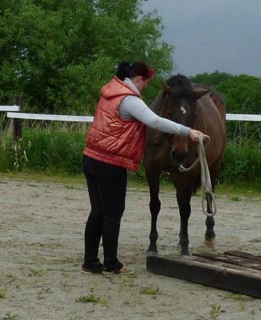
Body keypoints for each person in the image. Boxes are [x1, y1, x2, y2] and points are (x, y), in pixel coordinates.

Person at [82, 61, 205, 274]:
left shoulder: (110, 91)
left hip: (91, 157)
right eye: (146, 82)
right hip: (110, 162)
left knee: (97, 212)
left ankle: (90, 261)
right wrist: (188, 132)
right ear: (139, 78)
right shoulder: (129, 99)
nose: (145, 87)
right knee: (113, 213)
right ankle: (112, 263)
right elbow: (155, 122)